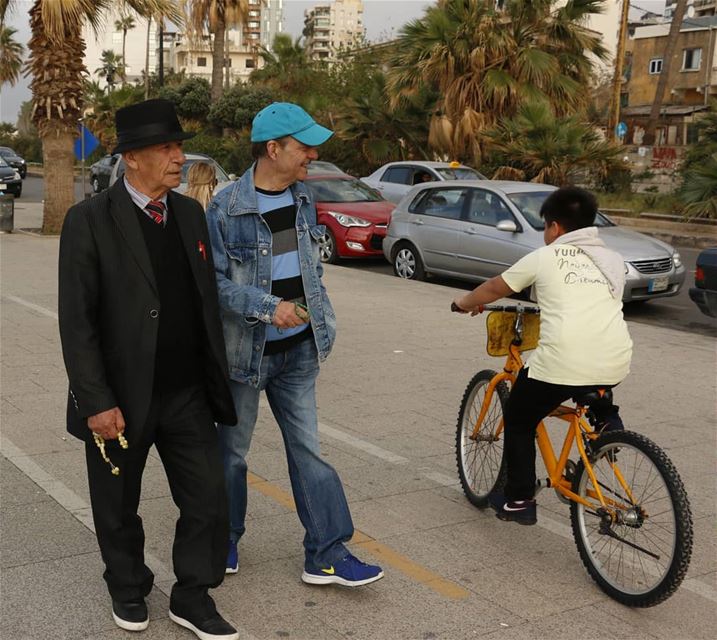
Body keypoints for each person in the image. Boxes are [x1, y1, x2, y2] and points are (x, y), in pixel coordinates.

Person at [58, 98, 240, 640]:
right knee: (117, 505)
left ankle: (192, 596)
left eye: (179, 146)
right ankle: (128, 585)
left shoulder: (190, 213)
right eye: (167, 147)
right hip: (121, 396)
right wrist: (95, 401)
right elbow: (77, 322)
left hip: (186, 392)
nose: (179, 157)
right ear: (132, 158)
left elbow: (202, 298)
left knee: (208, 497)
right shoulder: (88, 221)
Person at [206, 102, 384, 587]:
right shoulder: (226, 207)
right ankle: (223, 537)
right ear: (273, 148)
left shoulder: (303, 199)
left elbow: (310, 269)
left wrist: (319, 315)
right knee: (231, 454)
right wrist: (268, 307)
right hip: (247, 354)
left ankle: (325, 552)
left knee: (308, 450)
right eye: (304, 146)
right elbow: (214, 286)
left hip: (300, 351)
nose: (312, 154)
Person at [452, 186, 632, 526]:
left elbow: (494, 287)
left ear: (556, 227)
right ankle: (607, 422)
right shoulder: (612, 258)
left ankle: (519, 499)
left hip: (563, 361)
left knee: (520, 418)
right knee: (587, 381)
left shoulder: (546, 257)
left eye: (546, 227)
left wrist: (464, 302)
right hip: (616, 358)